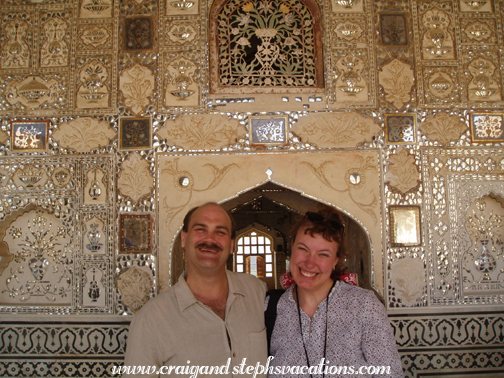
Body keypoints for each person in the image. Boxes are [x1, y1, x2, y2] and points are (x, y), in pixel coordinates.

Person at [123, 202, 268, 377]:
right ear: (184, 239)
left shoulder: (255, 292)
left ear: (231, 245)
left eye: (220, 232)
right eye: (200, 229)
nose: (210, 239)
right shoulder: (150, 320)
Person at [267, 206, 403, 378]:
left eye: (323, 254)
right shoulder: (269, 308)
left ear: (335, 261)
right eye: (303, 249)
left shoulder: (364, 306)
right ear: (291, 249)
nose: (310, 263)